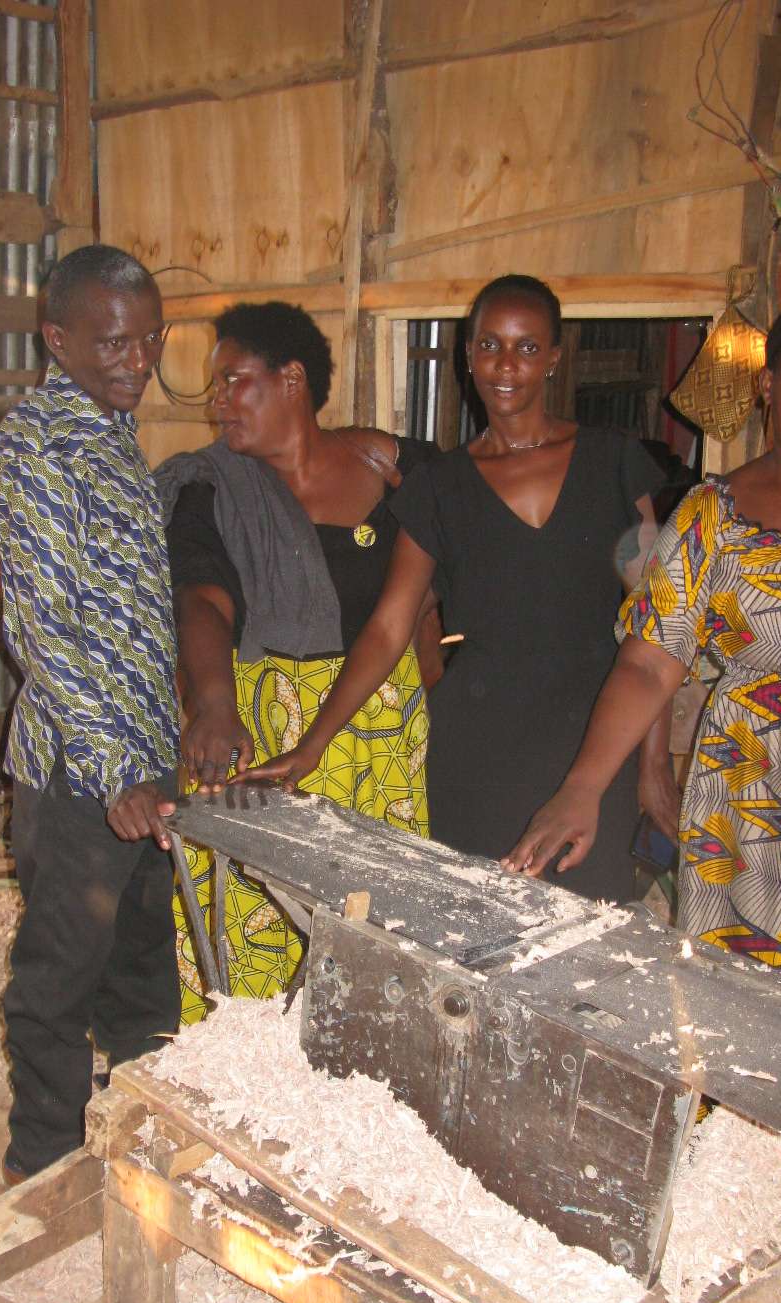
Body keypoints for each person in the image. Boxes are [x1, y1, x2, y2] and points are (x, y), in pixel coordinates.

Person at [504, 287, 781, 1244]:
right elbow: (648, 663)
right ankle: (754, 1221)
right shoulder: (714, 514)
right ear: (768, 389)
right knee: (755, 999)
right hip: (757, 799)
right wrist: (583, 787)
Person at [247, 274, 679, 903]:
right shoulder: (439, 486)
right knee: (474, 929)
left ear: (554, 357)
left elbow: (659, 625)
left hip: (596, 739)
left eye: (527, 347)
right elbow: (389, 628)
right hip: (478, 751)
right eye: (490, 345)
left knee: (585, 934)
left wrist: (654, 760)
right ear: (467, 354)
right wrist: (313, 743)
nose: (506, 365)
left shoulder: (613, 462)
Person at [156, 301, 439, 1017]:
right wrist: (213, 703)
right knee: (253, 915)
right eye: (216, 385)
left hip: (378, 733)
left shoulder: (396, 472)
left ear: (291, 380)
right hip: (261, 725)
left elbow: (418, 593)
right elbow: (202, 598)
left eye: (234, 380)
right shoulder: (210, 488)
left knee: (374, 923)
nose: (219, 401)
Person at [0, 245, 180, 1181]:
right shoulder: (33, 451)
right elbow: (43, 633)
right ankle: (43, 1170)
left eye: (150, 340)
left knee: (140, 964)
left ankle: (141, 1153)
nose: (137, 361)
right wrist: (116, 771)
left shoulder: (110, 430)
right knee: (56, 981)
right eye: (112, 343)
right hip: (81, 775)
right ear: (55, 339)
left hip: (141, 762)